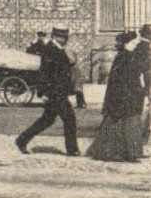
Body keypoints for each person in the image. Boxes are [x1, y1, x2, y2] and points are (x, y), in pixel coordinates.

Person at [16, 27, 79, 157]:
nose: (65, 39)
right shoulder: (49, 50)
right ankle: (72, 150)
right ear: (55, 36)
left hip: (59, 91)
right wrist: (44, 92)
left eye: (66, 37)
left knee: (47, 120)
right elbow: (44, 73)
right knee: (69, 119)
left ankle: (22, 140)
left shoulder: (59, 49)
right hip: (54, 92)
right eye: (62, 36)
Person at [86, 32, 144, 162]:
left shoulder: (127, 56)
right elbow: (122, 79)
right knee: (124, 125)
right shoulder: (125, 57)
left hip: (125, 95)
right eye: (133, 43)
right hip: (124, 96)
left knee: (119, 124)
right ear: (125, 44)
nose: (135, 46)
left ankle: (124, 153)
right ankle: (126, 153)